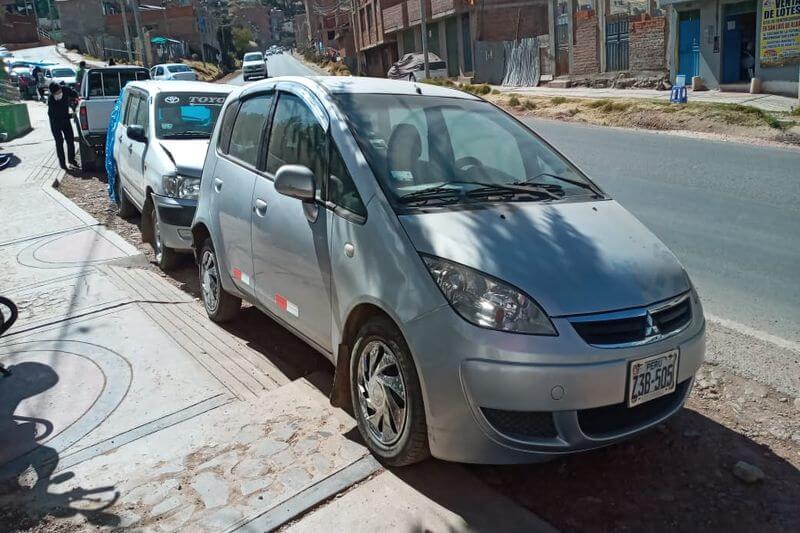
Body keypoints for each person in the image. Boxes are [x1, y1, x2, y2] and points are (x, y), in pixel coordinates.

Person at [47, 82, 79, 170]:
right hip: (55, 122)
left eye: (59, 91)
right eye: (57, 93)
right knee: (59, 142)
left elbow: (74, 93)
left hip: (66, 121)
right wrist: (70, 116)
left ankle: (72, 160)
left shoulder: (65, 89)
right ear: (53, 94)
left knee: (70, 139)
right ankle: (62, 164)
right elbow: (57, 115)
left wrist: (76, 99)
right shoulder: (51, 101)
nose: (59, 94)